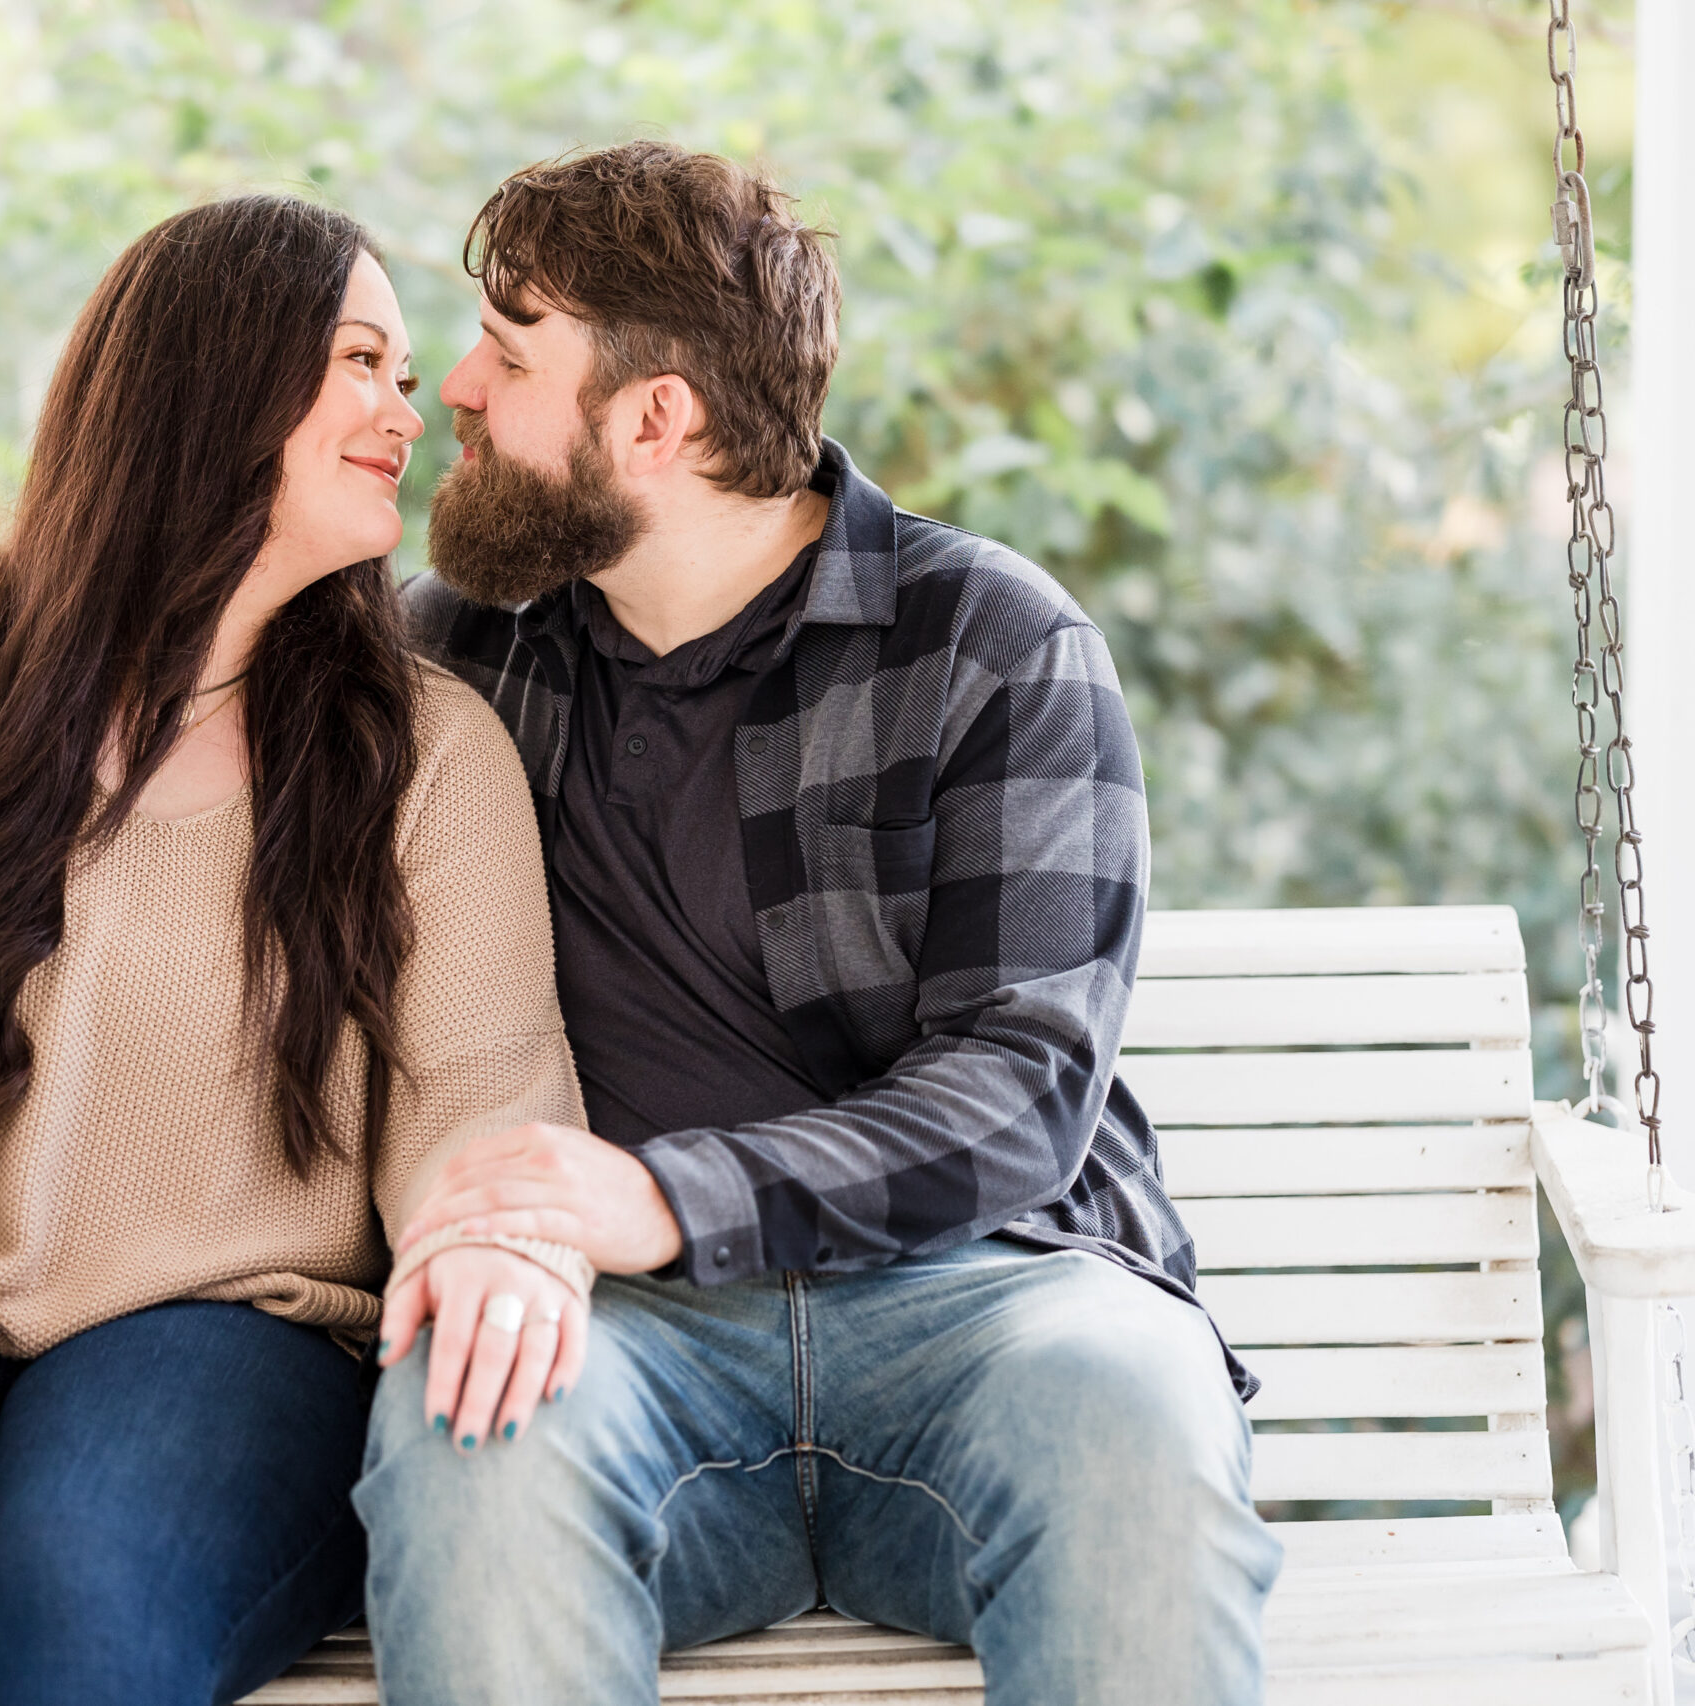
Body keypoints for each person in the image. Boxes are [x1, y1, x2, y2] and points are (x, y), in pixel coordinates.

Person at [0, 194, 587, 1706]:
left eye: (407, 372)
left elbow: (480, 1087)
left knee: (77, 1588)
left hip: (228, 1339)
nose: (414, 407)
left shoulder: (426, 752)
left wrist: (481, 1243)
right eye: (364, 361)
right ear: (218, 376)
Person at [359, 142, 1283, 1706]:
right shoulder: (456, 661)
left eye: (510, 355)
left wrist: (666, 1193)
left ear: (657, 420)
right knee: (467, 1423)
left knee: (1139, 1406)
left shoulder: (990, 643)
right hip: (629, 1344)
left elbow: (1022, 1089)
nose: (453, 387)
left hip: (989, 1304)